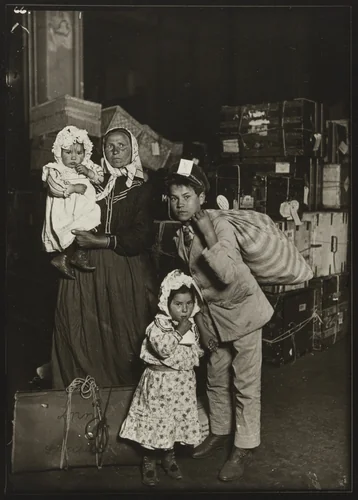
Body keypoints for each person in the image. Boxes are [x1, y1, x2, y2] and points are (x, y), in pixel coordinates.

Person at [165, 160, 274, 482]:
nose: (180, 203)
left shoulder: (220, 224)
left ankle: (244, 446)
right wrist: (200, 325)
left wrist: (208, 232)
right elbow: (193, 285)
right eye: (173, 198)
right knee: (214, 377)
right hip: (213, 318)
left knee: (245, 384)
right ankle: (220, 431)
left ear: (201, 196)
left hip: (243, 313)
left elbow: (225, 273)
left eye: (186, 196)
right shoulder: (180, 234)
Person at [50, 126, 158, 388]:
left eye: (122, 145)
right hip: (84, 267)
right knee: (80, 329)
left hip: (123, 267)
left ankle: (124, 397)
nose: (116, 151)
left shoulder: (142, 188)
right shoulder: (91, 180)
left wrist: (101, 240)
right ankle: (83, 392)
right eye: (110, 146)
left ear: (133, 150)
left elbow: (143, 235)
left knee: (124, 333)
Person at [119, 269, 204, 486]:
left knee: (173, 423)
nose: (184, 309)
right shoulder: (158, 326)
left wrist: (199, 349)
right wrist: (178, 332)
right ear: (167, 303)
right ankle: (149, 460)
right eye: (178, 304)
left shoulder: (191, 324)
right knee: (156, 424)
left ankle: (169, 457)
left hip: (182, 386)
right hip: (160, 385)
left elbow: (192, 352)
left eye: (188, 303)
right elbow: (163, 349)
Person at [42, 126, 104, 279]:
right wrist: (73, 188)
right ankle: (62, 257)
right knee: (68, 231)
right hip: (65, 208)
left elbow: (101, 178)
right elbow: (54, 187)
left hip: (85, 206)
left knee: (89, 224)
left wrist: (88, 173)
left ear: (86, 152)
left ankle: (79, 254)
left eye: (79, 153)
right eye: (68, 153)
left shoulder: (88, 165)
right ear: (59, 152)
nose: (74, 158)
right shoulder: (55, 169)